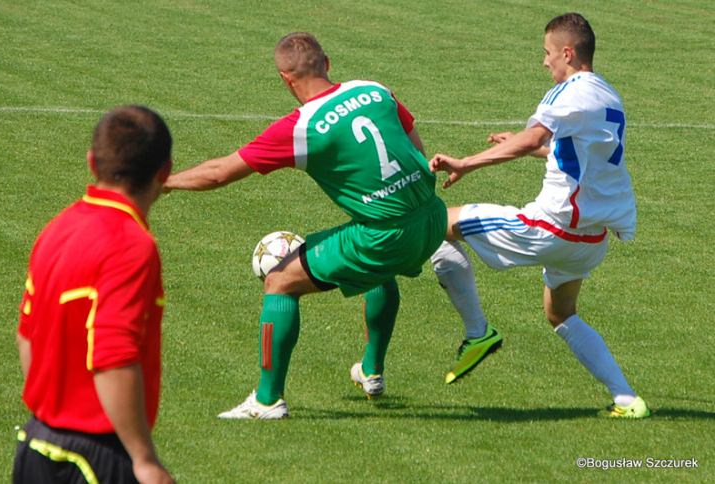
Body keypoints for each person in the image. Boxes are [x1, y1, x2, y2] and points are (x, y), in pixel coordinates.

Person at [164, 32, 447, 419]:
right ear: (327, 63)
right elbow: (412, 140)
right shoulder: (374, 89)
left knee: (280, 281)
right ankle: (371, 370)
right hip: (432, 217)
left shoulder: (301, 127)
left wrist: (163, 182)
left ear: (285, 78)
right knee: (378, 271)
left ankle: (266, 401)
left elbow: (218, 173)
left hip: (384, 235)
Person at [429, 13, 650, 418]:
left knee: (433, 226)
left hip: (550, 228)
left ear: (567, 53)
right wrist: (526, 145)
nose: (544, 62)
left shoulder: (566, 92)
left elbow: (535, 136)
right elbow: (572, 156)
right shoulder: (608, 95)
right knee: (560, 313)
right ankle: (626, 399)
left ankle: (479, 333)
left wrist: (466, 162)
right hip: (589, 242)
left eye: (547, 53)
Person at [13, 105, 175, 482]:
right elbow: (113, 357)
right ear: (164, 173)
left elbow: (27, 336)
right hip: (94, 459)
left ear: (92, 162)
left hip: (36, 445)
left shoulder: (57, 228)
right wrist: (143, 458)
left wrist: (54, 410)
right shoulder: (131, 245)